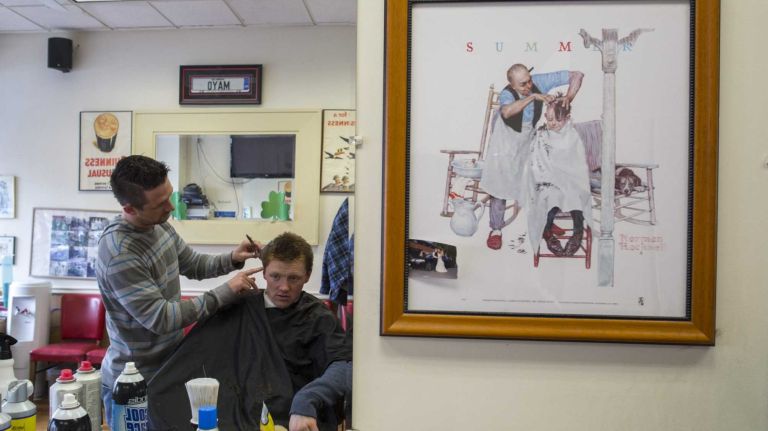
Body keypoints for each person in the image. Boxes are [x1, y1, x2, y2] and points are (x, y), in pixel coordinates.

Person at [96, 155, 263, 423]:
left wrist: (233, 258)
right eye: (160, 204)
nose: (170, 207)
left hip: (169, 367)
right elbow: (162, 319)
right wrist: (224, 293)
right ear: (129, 209)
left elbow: (193, 264)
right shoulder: (120, 254)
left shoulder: (159, 225)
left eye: (170, 196)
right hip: (134, 381)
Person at [146, 232, 352, 431]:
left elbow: (343, 366)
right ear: (264, 272)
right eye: (275, 276)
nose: (284, 287)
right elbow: (194, 358)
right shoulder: (239, 307)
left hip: (290, 415)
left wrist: (308, 398)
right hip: (232, 412)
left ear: (307, 276)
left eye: (294, 278)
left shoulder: (318, 318)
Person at [479, 63, 584, 250]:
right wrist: (534, 96)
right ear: (512, 86)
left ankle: (545, 222)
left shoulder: (539, 81)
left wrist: (569, 97)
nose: (528, 86)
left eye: (529, 81)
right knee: (500, 183)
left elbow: (577, 75)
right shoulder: (506, 95)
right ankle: (496, 230)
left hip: (526, 140)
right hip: (504, 141)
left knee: (539, 181)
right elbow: (507, 112)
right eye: (523, 85)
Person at [526, 98, 592, 256]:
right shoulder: (542, 135)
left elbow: (578, 163)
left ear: (568, 118)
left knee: (576, 196)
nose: (553, 123)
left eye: (558, 120)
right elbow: (536, 160)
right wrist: (547, 177)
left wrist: (568, 177)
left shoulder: (572, 136)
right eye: (549, 119)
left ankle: (577, 234)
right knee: (550, 197)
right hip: (548, 180)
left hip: (571, 180)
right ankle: (548, 233)